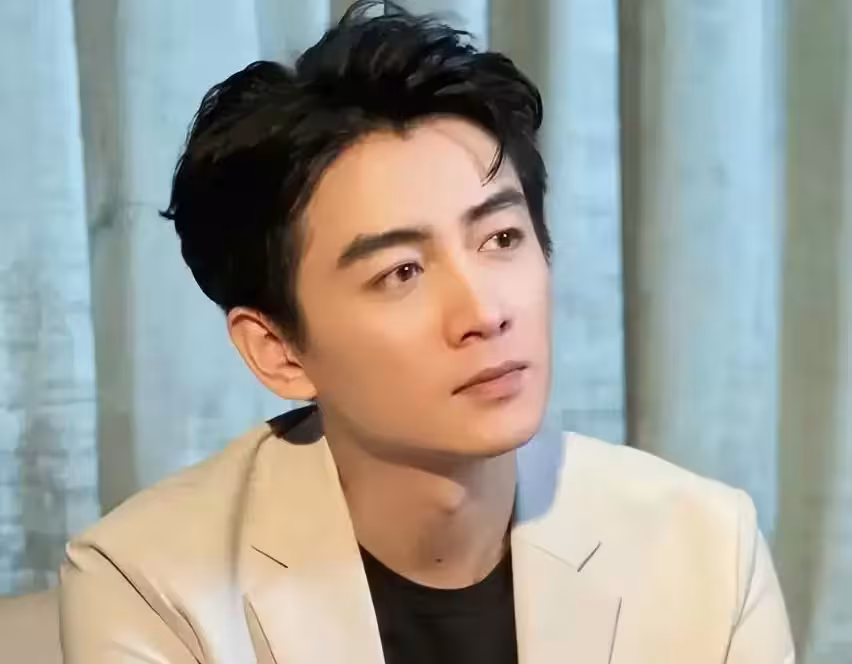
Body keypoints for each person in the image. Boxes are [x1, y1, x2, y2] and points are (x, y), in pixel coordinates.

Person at [59, 2, 795, 662]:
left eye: (501, 238)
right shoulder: (150, 588)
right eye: (401, 272)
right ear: (278, 351)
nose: (484, 313)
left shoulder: (706, 552)